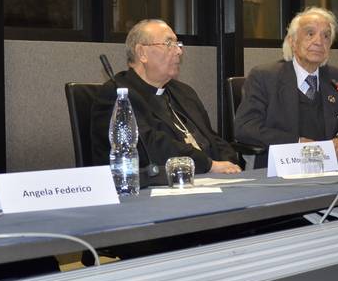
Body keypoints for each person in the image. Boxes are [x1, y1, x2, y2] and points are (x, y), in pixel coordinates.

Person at [90, 19, 241, 175]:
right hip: (157, 184)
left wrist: (229, 163)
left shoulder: (184, 92)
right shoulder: (117, 95)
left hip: (210, 178)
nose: (179, 51)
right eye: (169, 44)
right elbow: (150, 146)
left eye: (178, 44)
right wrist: (209, 165)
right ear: (142, 53)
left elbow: (211, 137)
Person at [234, 7, 338, 168]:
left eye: (326, 36)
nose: (319, 42)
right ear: (292, 42)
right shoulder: (265, 77)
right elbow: (245, 127)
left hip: (328, 166)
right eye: (310, 34)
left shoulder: (337, 78)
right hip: (278, 167)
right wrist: (297, 142)